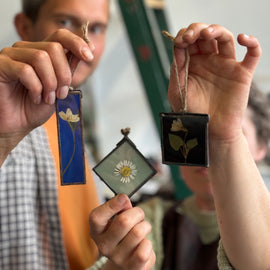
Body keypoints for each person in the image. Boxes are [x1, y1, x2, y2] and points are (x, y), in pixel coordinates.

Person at [89, 23, 270, 270]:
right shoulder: (153, 218)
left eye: (240, 134)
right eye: (197, 134)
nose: (206, 153)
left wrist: (226, 141)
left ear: (263, 147)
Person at [0, 0, 155, 269]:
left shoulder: (73, 115)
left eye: (96, 28)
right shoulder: (10, 115)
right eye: (65, 22)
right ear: (25, 26)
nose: (83, 41)